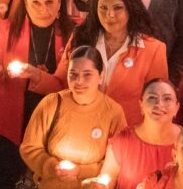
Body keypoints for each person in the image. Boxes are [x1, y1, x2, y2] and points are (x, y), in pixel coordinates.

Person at [0, 0, 72, 188]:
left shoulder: (71, 33)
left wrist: (36, 75)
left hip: (54, 119)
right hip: (14, 115)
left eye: (49, 1)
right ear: (25, 2)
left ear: (60, 1)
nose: (43, 9)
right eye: (35, 2)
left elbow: (67, 85)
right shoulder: (7, 29)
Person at [63, 0, 168, 125]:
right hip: (80, 126)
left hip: (127, 131)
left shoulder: (154, 49)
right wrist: (35, 75)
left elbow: (157, 103)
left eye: (117, 8)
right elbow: (60, 82)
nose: (110, 15)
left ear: (130, 8)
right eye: (103, 8)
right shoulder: (81, 37)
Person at [20, 46, 126, 188]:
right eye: (73, 74)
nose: (79, 81)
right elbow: (29, 147)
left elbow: (118, 161)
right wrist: (52, 166)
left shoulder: (113, 112)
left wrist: (81, 171)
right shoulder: (51, 103)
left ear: (101, 76)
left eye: (87, 74)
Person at [99, 79, 183, 189]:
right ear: (141, 104)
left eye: (167, 99)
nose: (159, 104)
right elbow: (108, 178)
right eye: (152, 98)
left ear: (177, 107)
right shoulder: (123, 141)